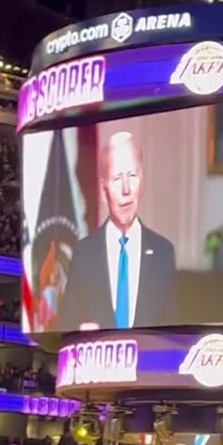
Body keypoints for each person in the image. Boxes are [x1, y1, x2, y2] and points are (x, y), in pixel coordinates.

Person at [58, 131, 176, 331]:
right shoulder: (84, 252)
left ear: (142, 180)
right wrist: (79, 330)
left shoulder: (163, 251)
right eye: (118, 178)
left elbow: (172, 328)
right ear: (104, 191)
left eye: (132, 175)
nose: (126, 189)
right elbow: (66, 323)